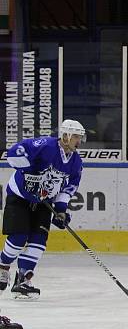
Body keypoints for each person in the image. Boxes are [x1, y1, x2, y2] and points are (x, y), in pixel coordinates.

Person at [0, 120, 85, 300]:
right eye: (76, 136)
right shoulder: (45, 145)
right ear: (66, 135)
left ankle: (23, 279)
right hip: (20, 197)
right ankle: (3, 267)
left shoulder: (76, 162)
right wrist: (28, 169)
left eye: (80, 137)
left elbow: (68, 188)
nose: (79, 141)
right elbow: (14, 152)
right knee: (18, 237)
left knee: (38, 242)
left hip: (43, 203)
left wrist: (61, 210)